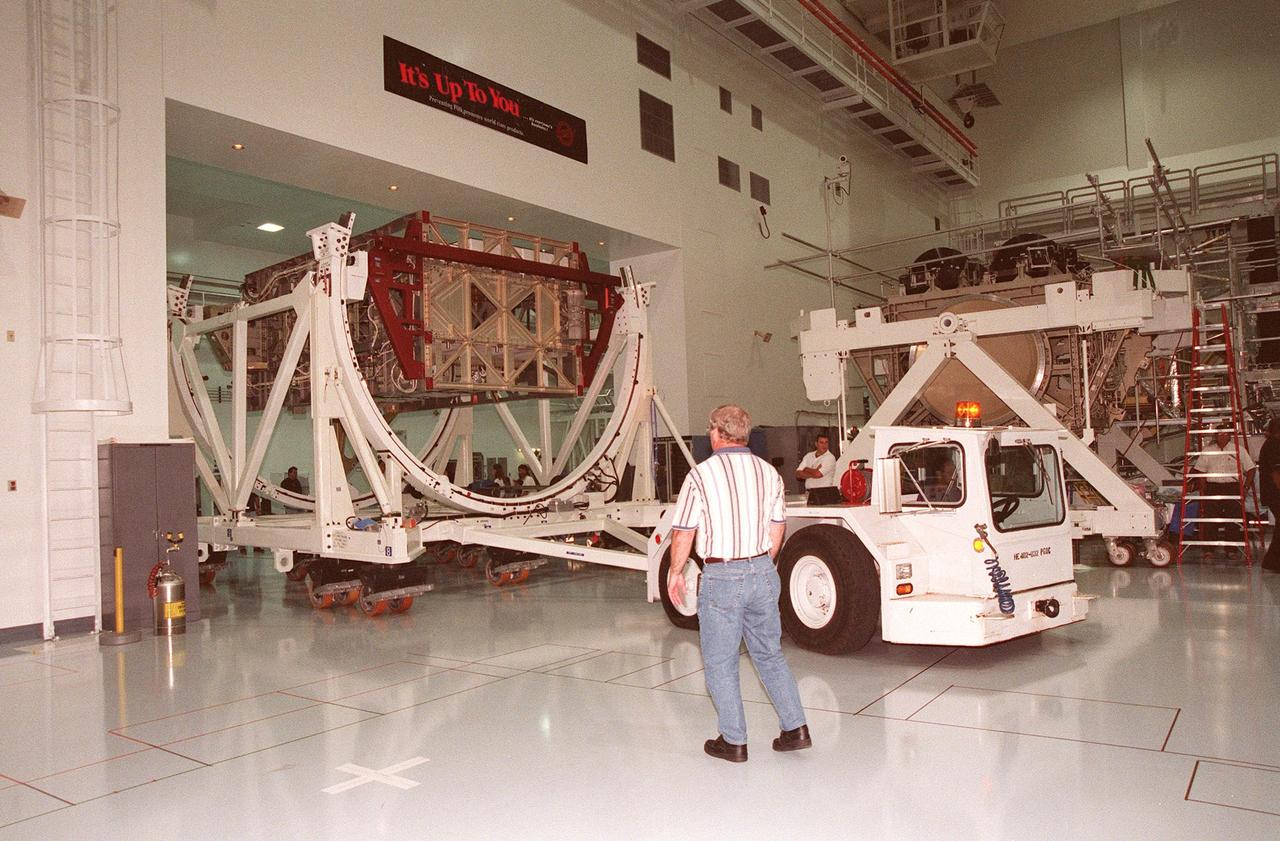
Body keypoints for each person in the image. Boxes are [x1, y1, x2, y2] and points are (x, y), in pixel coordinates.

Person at [668, 404, 810, 763]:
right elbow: (778, 527)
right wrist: (763, 564)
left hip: (722, 576)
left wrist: (675, 572)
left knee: (720, 661)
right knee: (770, 655)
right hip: (762, 570)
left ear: (717, 432)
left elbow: (683, 531)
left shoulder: (700, 476)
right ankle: (795, 728)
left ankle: (733, 740)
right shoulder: (769, 473)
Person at [1194, 427, 1256, 558]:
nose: (1222, 437)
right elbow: (1200, 472)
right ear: (1215, 436)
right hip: (1213, 487)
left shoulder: (1239, 450)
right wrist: (1204, 490)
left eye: (1225, 434)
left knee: (1233, 518)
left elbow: (1251, 469)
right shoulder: (1208, 451)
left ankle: (1231, 550)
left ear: (1229, 436)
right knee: (1210, 518)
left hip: (1232, 486)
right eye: (1219, 434)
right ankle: (1209, 550)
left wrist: (1245, 488)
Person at [1258, 418, 1280, 572]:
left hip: (1271, 492)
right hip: (1275, 492)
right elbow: (1275, 473)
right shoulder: (1273, 445)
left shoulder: (1270, 444)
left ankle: (1271, 561)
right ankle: (1272, 562)